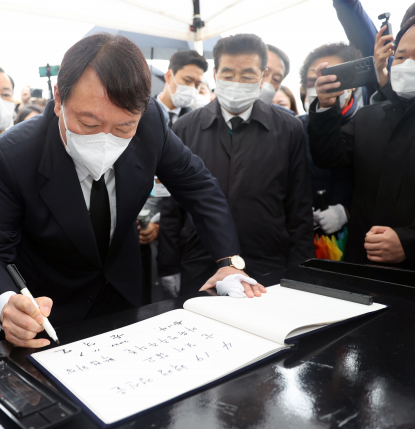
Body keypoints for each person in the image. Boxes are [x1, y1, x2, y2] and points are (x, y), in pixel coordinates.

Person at [0, 33, 266, 350]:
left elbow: (199, 186)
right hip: (50, 311)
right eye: (89, 123)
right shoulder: (16, 155)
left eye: (124, 127)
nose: (106, 140)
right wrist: (5, 305)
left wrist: (228, 261)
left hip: (127, 299)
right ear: (58, 99)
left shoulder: (150, 122)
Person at [157, 34, 313, 296]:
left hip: (267, 263)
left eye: (248, 75)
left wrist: (301, 269)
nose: (237, 82)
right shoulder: (185, 128)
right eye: (228, 75)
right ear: (216, 73)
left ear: (262, 76)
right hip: (200, 263)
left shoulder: (289, 129)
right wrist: (168, 264)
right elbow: (172, 207)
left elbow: (299, 208)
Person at [308, 16, 415, 270]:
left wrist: (408, 242)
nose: (408, 64)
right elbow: (329, 156)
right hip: (361, 268)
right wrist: (326, 105)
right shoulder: (370, 115)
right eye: (400, 57)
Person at [299, 43, 361, 237]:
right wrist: (295, 209)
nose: (322, 86)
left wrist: (347, 211)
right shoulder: (294, 129)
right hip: (304, 240)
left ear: (354, 83)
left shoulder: (371, 126)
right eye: (313, 81)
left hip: (359, 242)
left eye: (333, 78)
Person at [155, 50, 208, 126]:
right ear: (169, 76)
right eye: (187, 80)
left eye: (197, 84)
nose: (192, 88)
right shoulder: (142, 113)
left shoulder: (196, 122)